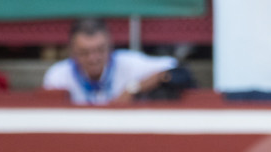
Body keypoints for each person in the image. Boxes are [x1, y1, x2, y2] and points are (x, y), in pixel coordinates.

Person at [42, 18, 177, 106]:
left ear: (110, 47)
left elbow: (176, 70)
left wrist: (132, 89)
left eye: (100, 50)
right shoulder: (58, 75)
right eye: (84, 52)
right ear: (72, 51)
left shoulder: (128, 63)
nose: (93, 58)